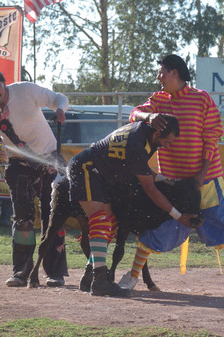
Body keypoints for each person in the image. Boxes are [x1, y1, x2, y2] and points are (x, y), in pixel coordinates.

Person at [120, 54, 224, 296]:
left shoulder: (202, 99)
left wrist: (202, 172)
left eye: (162, 71)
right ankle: (131, 277)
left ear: (175, 73)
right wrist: (148, 116)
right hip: (172, 184)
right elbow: (133, 114)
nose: (158, 77)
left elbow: (212, 135)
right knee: (158, 228)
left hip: (208, 179)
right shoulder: (158, 100)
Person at [68, 114, 196, 297]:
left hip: (95, 172)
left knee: (109, 224)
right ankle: (100, 281)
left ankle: (91, 275)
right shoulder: (138, 146)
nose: (169, 145)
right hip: (86, 169)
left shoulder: (141, 131)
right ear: (158, 132)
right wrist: (178, 215)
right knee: (102, 221)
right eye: (167, 141)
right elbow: (150, 190)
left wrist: (165, 180)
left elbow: (142, 169)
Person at [0, 64, 69, 288]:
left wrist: (60, 110)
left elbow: (59, 97)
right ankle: (21, 272)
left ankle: (54, 272)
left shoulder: (25, 90)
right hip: (19, 164)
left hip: (49, 159)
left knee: (53, 216)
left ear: (3, 83)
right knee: (23, 219)